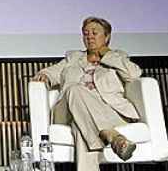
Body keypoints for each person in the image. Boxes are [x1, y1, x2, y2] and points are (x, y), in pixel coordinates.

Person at [31, 17, 142, 171]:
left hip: (108, 111)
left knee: (80, 127)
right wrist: (45, 77)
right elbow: (50, 72)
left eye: (94, 33)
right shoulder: (73, 58)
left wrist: (106, 54)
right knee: (74, 89)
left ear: (107, 36)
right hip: (69, 108)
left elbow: (133, 74)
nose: (89, 36)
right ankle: (111, 136)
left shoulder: (118, 57)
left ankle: (106, 134)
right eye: (86, 33)